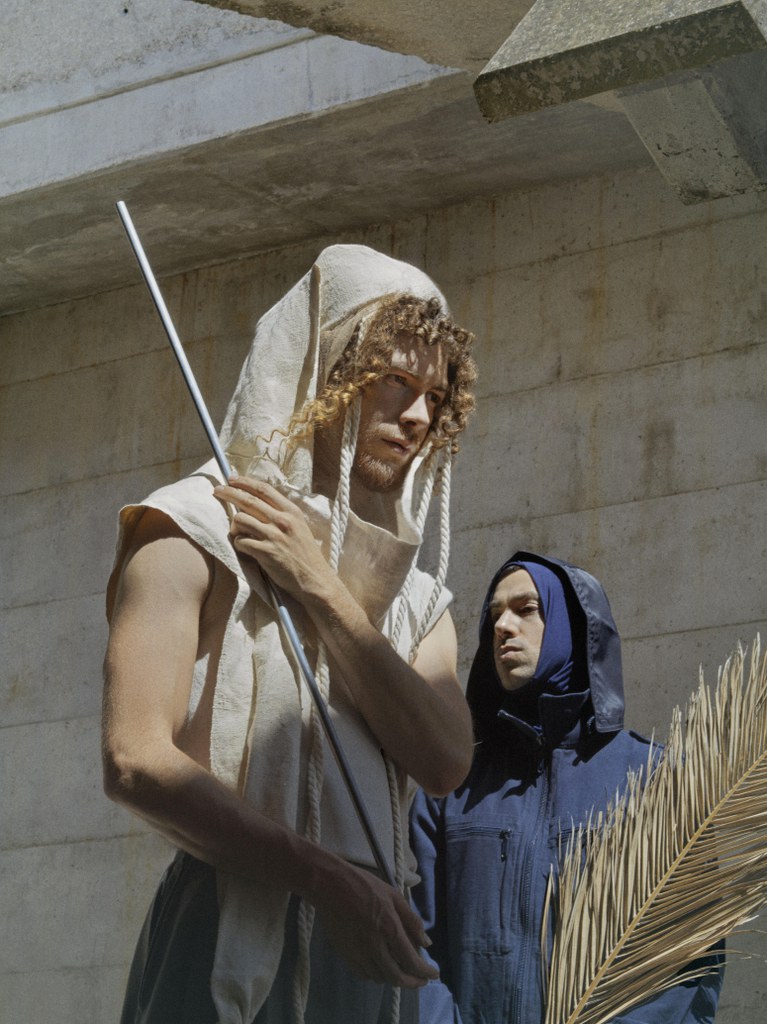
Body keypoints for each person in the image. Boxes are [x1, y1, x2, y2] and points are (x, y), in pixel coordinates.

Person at [102, 244, 477, 1024]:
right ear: (324, 371)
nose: (417, 418)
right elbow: (134, 760)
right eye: (394, 382)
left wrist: (319, 586)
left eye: (434, 398)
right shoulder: (193, 525)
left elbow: (445, 761)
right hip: (229, 927)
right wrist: (324, 880)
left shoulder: (413, 597)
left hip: (371, 947)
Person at [410, 551, 724, 1024]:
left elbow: (689, 961)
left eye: (525, 609)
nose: (502, 626)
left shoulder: (654, 779)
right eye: (495, 615)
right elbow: (412, 943)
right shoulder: (452, 786)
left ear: (572, 627)